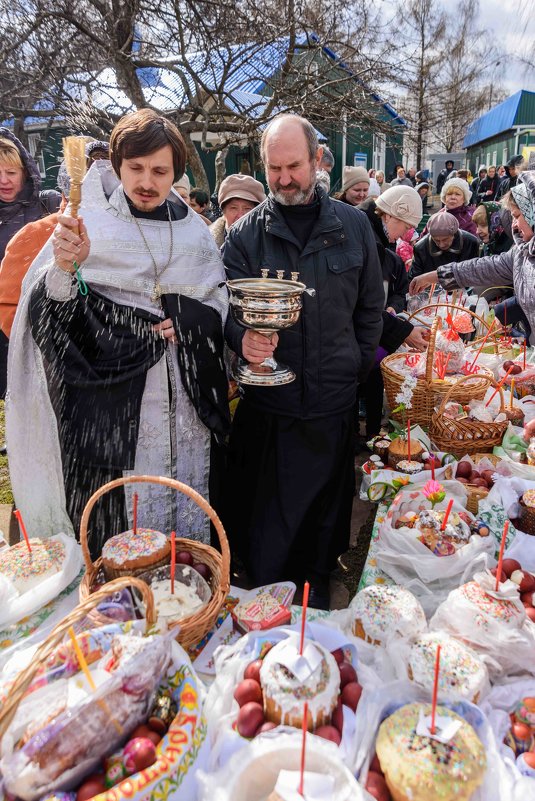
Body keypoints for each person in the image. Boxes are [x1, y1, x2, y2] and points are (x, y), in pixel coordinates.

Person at [6, 109, 230, 558]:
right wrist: (68, 268)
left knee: (183, 530)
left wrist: (188, 319)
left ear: (175, 173)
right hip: (112, 410)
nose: (147, 181)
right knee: (122, 524)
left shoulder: (196, 236)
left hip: (185, 409)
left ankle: (185, 589)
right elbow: (50, 324)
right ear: (118, 165)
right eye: (136, 168)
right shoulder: (85, 227)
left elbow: (218, 305)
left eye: (160, 170)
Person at [223, 114, 384, 609]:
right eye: (274, 168)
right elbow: (225, 311)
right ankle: (267, 613)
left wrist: (354, 365)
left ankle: (315, 613)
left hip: (332, 405)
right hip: (272, 411)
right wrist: (242, 338)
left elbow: (370, 308)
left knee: (324, 529)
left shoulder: (354, 226)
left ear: (318, 160)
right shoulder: (245, 236)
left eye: (294, 165)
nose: (284, 178)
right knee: (270, 535)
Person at [408, 173, 535, 342]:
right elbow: (483, 267)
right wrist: (435, 276)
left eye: (518, 216)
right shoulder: (521, 252)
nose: (513, 224)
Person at [0, 128, 61, 453]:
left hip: (37, 312)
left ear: (25, 172)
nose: (4, 180)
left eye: (11, 172)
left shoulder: (45, 204)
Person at [357, 186, 429, 438]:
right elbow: (361, 304)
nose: (406, 233)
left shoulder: (370, 235)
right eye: (406, 225)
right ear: (391, 216)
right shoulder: (365, 238)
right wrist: (404, 331)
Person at [0, 163, 70, 340]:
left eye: (10, 172)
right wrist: (49, 350)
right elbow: (9, 308)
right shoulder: (34, 233)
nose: (4, 180)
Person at [408, 212, 479, 282]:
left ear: (454, 234)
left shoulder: (471, 243)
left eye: (445, 240)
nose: (441, 244)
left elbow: (476, 273)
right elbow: (414, 278)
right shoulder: (421, 248)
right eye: (436, 240)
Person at [209, 174, 266, 248]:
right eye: (234, 208)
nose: (240, 215)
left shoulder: (269, 244)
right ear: (223, 211)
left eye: (247, 209)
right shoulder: (206, 243)